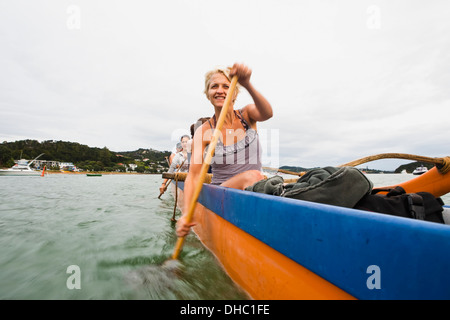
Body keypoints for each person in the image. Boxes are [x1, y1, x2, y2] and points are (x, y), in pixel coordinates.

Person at [176, 63, 273, 237]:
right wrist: (185, 214)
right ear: (208, 94)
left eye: (226, 86)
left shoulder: (247, 115)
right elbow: (194, 175)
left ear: (234, 93)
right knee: (255, 177)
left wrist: (247, 83)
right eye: (214, 86)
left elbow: (267, 113)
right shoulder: (203, 131)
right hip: (221, 194)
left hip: (253, 187)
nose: (220, 90)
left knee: (261, 180)